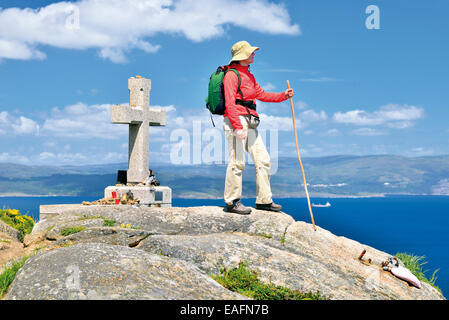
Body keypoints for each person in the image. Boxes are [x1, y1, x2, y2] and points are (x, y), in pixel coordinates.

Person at [223, 40, 294, 215]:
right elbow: (230, 103)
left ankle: (264, 201)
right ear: (242, 56)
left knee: (263, 159)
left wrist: (282, 96)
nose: (254, 54)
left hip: (250, 120)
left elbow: (261, 94)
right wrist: (238, 126)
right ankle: (232, 202)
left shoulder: (249, 75)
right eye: (250, 52)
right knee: (237, 161)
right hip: (236, 120)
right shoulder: (231, 75)